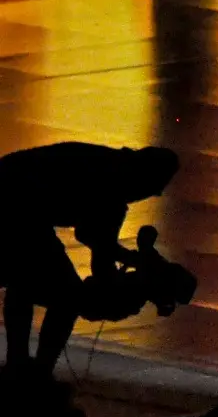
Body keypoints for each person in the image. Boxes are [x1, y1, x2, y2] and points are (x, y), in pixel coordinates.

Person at [0, 143, 180, 383]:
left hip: (14, 198)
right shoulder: (113, 188)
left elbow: (91, 237)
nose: (148, 195)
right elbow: (101, 259)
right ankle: (36, 376)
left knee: (25, 278)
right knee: (65, 296)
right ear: (146, 180)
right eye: (154, 189)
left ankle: (19, 365)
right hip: (16, 208)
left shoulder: (110, 168)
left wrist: (130, 261)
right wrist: (125, 292)